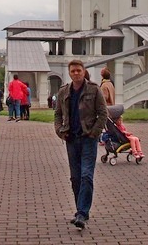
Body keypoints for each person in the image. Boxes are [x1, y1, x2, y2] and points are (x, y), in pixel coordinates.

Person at [54, 59, 108, 231]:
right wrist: (59, 130)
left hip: (88, 139)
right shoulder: (64, 91)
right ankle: (80, 210)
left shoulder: (93, 89)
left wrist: (95, 132)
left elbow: (103, 113)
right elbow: (57, 114)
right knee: (75, 177)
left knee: (86, 175)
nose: (76, 73)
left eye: (79, 70)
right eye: (73, 71)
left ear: (84, 71)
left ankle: (82, 213)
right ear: (69, 73)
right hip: (71, 138)